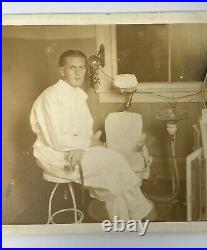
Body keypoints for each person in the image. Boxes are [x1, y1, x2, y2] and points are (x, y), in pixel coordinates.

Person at [30, 49, 155, 221]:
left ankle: (125, 216)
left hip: (75, 148)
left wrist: (82, 146)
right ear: (62, 71)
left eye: (82, 67)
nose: (78, 72)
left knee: (114, 162)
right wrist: (82, 146)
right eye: (72, 68)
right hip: (55, 154)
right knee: (111, 166)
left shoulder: (76, 94)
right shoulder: (51, 97)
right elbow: (57, 140)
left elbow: (85, 125)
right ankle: (135, 211)